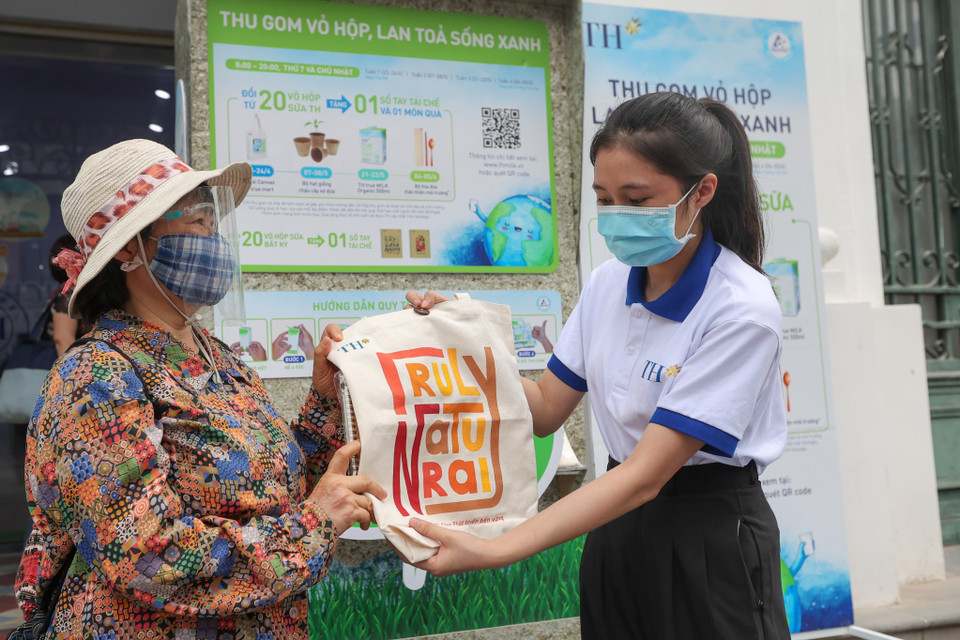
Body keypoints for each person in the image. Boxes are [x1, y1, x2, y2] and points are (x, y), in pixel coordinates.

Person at [405, 93, 790, 639]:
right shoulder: (610, 281)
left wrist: (496, 549)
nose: (616, 219)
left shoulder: (740, 309)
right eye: (604, 199)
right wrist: (464, 343)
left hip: (707, 532)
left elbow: (645, 476)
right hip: (616, 524)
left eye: (636, 200)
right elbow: (543, 410)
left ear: (701, 192)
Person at [15, 139, 385, 640]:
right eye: (196, 222)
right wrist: (312, 527)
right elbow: (144, 554)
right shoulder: (94, 377)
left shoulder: (217, 355)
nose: (213, 238)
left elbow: (275, 488)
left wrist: (323, 399)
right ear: (129, 247)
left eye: (214, 223)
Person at [47, 233, 92, 355]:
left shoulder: (60, 292)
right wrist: (73, 370)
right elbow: (63, 339)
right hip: (70, 368)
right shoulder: (67, 294)